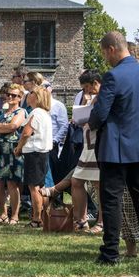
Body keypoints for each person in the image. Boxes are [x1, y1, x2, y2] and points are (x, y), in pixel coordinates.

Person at [88, 31, 139, 264]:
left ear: (111, 49)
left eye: (104, 53)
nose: (105, 58)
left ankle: (110, 253)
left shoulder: (113, 76)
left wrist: (90, 122)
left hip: (115, 148)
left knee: (111, 201)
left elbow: (100, 114)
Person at [41, 70, 103, 233]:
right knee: (76, 181)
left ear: (96, 83)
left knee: (98, 184)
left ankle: (101, 222)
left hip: (97, 143)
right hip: (87, 142)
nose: (87, 92)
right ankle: (81, 220)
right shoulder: (88, 96)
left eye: (88, 88)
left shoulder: (104, 95)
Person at [15, 85, 53, 229]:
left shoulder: (35, 112)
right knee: (40, 186)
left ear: (36, 97)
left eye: (31, 93)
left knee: (34, 187)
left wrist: (19, 148)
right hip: (43, 153)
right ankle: (43, 216)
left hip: (34, 153)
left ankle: (37, 218)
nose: (28, 95)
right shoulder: (45, 113)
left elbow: (26, 133)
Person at [0, 83, 26, 225]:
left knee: (12, 183)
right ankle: (3, 212)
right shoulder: (1, 112)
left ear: (20, 97)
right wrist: (2, 127)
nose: (10, 97)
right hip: (0, 149)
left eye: (15, 95)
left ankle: (15, 215)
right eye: (9, 94)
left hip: (13, 149)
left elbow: (14, 126)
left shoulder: (21, 112)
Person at [45, 81, 70, 185]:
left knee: (50, 171)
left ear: (50, 88)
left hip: (51, 144)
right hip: (40, 143)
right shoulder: (37, 105)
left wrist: (54, 141)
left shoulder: (58, 105)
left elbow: (64, 126)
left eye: (44, 87)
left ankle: (52, 197)